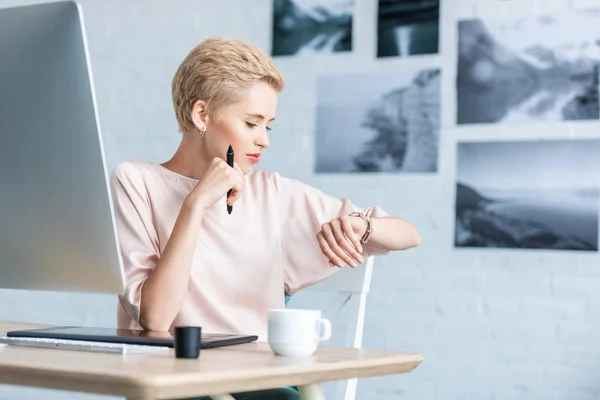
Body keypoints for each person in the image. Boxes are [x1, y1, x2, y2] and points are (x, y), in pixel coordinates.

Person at [110, 37, 420, 400]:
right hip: (171, 383)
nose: (264, 141)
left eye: (268, 126)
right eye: (252, 123)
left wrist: (362, 226)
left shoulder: (271, 193)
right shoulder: (135, 181)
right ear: (202, 115)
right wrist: (194, 205)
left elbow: (408, 233)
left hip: (256, 382)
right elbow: (156, 319)